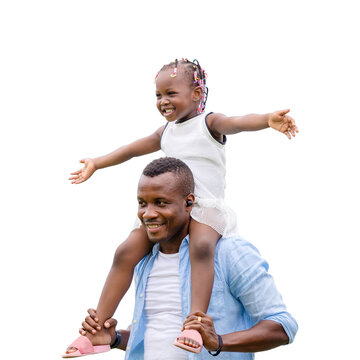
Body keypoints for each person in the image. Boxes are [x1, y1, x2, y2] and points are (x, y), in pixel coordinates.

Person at [64, 58, 299, 356]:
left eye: (171, 93)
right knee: (125, 251)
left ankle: (195, 324)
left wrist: (266, 119)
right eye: (158, 95)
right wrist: (97, 162)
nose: (163, 101)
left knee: (201, 247)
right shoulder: (165, 132)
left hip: (204, 207)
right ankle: (96, 330)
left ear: (197, 94)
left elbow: (238, 122)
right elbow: (132, 149)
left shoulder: (208, 124)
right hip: (174, 208)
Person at [74, 157, 298, 360]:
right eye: (142, 203)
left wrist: (218, 342)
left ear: (188, 203)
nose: (148, 213)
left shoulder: (230, 253)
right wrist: (114, 338)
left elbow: (283, 326)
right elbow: (159, 335)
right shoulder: (144, 261)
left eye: (161, 203)